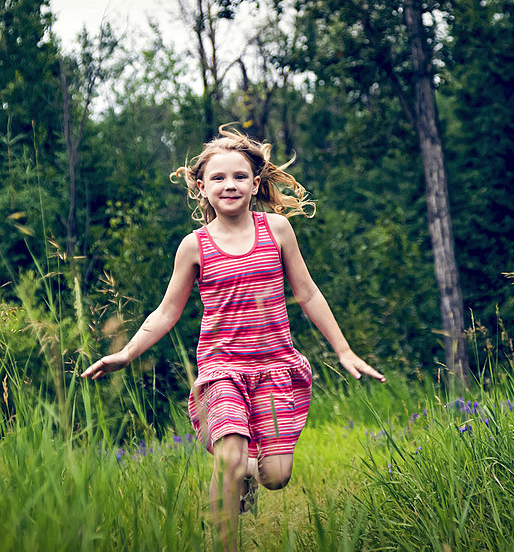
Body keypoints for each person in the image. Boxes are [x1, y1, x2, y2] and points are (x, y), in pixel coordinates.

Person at [81, 125, 384, 550]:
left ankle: (249, 470)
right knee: (228, 459)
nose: (230, 185)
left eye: (240, 177)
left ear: (256, 184)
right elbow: (168, 310)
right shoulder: (194, 246)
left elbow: (308, 292)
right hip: (222, 370)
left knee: (277, 476)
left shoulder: (277, 230)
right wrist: (127, 353)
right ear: (201, 188)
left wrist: (345, 349)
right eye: (218, 178)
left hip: (275, 367)